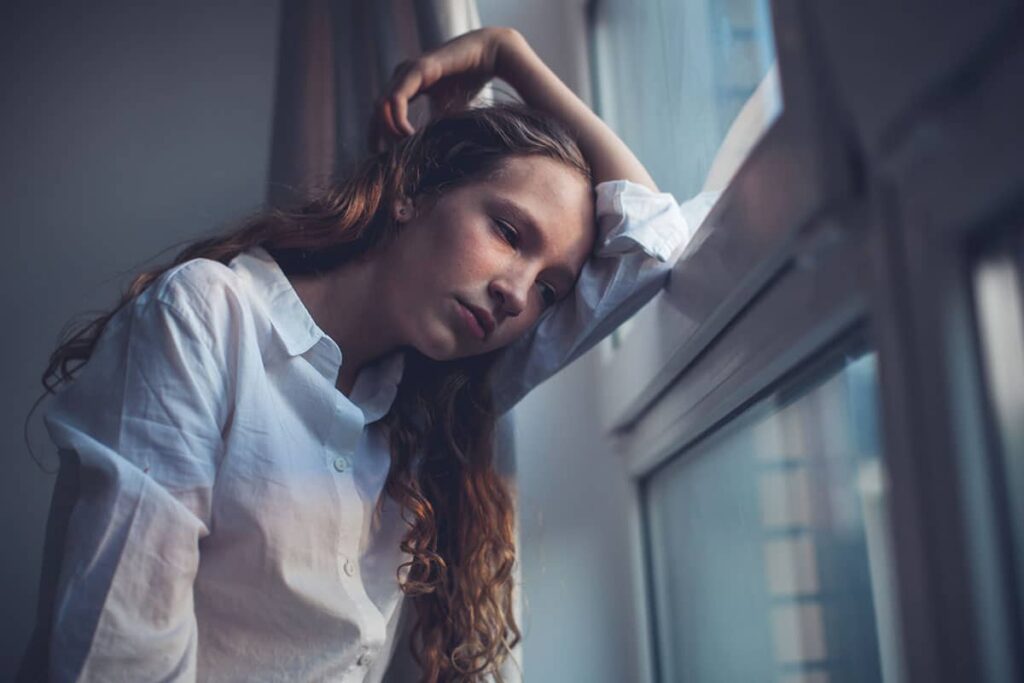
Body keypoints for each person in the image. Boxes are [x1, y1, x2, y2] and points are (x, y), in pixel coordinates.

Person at [28, 27, 704, 682]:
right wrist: (501, 52)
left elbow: (649, 248)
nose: (515, 293)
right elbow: (119, 659)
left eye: (549, 291)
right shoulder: (208, 317)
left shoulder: (430, 396)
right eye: (506, 231)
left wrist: (509, 55)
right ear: (412, 190)